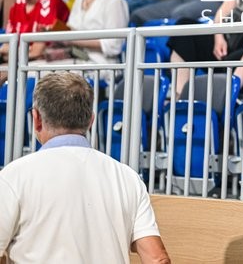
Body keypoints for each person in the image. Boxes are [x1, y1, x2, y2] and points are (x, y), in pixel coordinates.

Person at [0, 72, 170, 263]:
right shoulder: (127, 177)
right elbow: (157, 259)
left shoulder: (14, 176)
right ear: (91, 120)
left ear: (36, 118)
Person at [41, 0, 129, 79]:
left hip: (102, 65)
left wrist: (72, 40)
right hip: (76, 59)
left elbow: (113, 45)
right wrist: (55, 33)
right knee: (33, 70)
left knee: (48, 76)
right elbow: (70, 33)